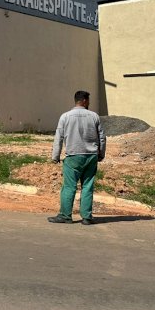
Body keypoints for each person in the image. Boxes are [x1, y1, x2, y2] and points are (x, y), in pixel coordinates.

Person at [48, 90, 106, 225]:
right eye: (88, 101)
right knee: (87, 186)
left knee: (69, 187)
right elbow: (102, 137)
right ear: (84, 101)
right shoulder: (94, 116)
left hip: (73, 156)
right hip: (91, 156)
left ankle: (65, 216)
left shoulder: (65, 116)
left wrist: (55, 156)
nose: (89, 103)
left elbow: (59, 138)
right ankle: (86, 217)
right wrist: (101, 153)